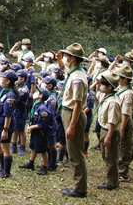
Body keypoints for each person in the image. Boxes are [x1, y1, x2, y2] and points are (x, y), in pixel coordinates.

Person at [57, 43, 89, 198]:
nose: (65, 58)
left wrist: (71, 126)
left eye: (67, 56)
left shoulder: (78, 79)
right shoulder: (74, 71)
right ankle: (78, 184)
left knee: (75, 152)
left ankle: (80, 188)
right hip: (68, 112)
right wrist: (59, 59)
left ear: (74, 58)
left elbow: (77, 104)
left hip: (72, 114)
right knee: (73, 150)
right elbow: (64, 68)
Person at [96, 71, 122, 190]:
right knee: (105, 155)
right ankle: (110, 180)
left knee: (111, 157)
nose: (101, 87)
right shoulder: (106, 97)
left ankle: (112, 183)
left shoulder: (113, 102)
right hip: (104, 129)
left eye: (103, 85)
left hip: (109, 131)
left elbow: (112, 121)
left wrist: (109, 136)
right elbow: (97, 94)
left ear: (110, 87)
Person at [0, 70, 18, 178]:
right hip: (0, 121)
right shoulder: (4, 91)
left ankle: (6, 172)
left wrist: (5, 129)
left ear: (8, 81)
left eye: (2, 77)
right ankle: (2, 167)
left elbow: (8, 115)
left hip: (6, 124)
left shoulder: (10, 96)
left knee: (5, 148)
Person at [21, 87, 52, 175]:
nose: (35, 93)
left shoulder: (42, 108)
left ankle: (44, 166)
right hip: (35, 132)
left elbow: (42, 124)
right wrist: (30, 126)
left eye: (38, 92)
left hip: (41, 133)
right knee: (33, 147)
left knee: (43, 150)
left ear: (41, 96)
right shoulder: (37, 105)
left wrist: (31, 127)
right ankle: (31, 163)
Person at [115, 65, 133, 181]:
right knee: (120, 146)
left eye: (120, 77)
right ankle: (119, 169)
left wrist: (122, 128)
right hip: (120, 122)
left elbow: (126, 113)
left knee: (125, 147)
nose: (118, 79)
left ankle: (123, 173)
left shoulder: (128, 94)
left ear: (125, 79)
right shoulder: (121, 89)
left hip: (125, 123)